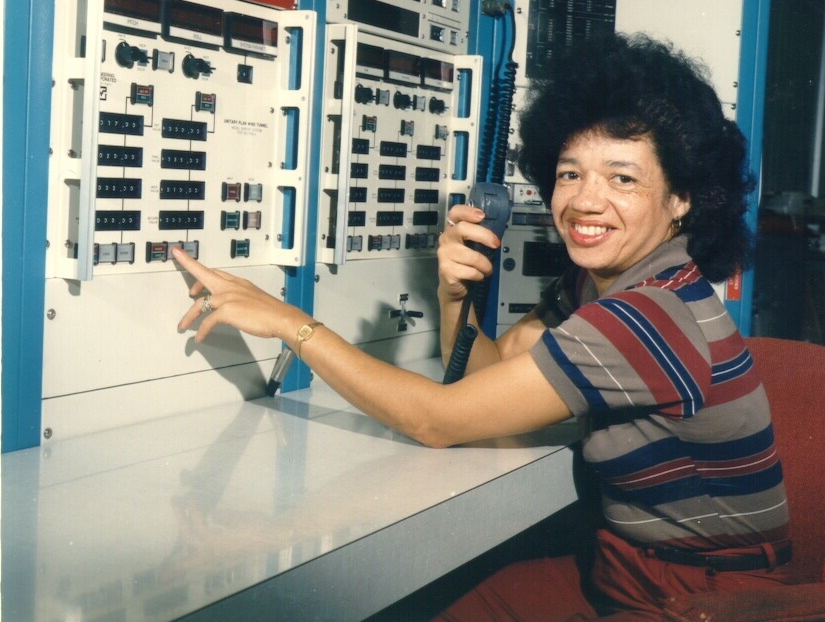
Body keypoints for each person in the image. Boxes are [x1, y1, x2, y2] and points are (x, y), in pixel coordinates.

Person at [174, 32, 793, 621]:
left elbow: (437, 421)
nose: (583, 200)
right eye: (570, 172)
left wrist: (291, 323)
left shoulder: (645, 318)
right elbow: (486, 377)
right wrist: (455, 294)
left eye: (622, 178)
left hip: (703, 600)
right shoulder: (611, 286)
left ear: (682, 198)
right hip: (631, 567)